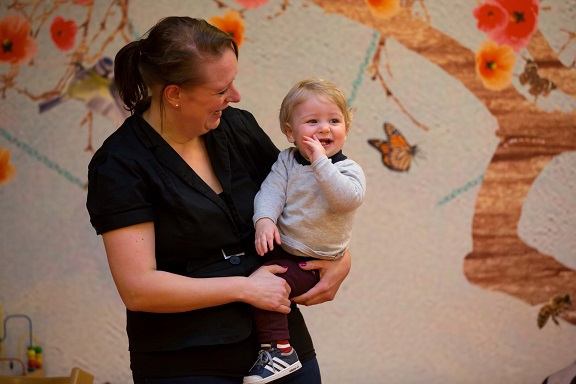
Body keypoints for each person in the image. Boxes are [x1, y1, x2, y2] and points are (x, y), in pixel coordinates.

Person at [85, 16, 351, 384]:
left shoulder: (238, 127)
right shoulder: (119, 165)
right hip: (186, 361)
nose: (235, 96)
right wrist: (245, 288)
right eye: (221, 89)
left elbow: (304, 200)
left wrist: (341, 256)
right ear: (174, 94)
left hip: (281, 346)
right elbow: (138, 287)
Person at [244, 79, 365, 384]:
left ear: (346, 129)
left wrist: (320, 163)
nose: (325, 128)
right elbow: (271, 191)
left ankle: (281, 351)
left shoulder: (347, 169)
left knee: (271, 287)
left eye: (334, 121)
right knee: (255, 275)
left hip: (315, 260)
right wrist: (265, 221)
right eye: (313, 121)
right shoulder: (286, 160)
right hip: (285, 246)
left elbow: (345, 200)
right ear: (290, 132)